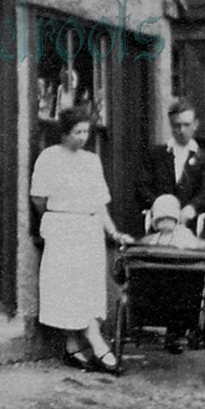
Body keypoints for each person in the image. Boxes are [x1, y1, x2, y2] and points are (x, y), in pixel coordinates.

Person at [31, 107, 133, 374]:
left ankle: (73, 346)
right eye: (77, 132)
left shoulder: (91, 161)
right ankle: (97, 344)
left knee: (87, 289)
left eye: (86, 131)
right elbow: (38, 198)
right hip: (63, 228)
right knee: (67, 289)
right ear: (64, 133)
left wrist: (113, 232)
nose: (83, 137)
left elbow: (99, 203)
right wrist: (59, 218)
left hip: (88, 230)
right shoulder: (49, 157)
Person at [136, 193, 205, 353]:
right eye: (160, 220)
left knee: (185, 286)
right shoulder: (153, 240)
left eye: (169, 219)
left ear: (176, 219)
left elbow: (198, 247)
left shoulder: (184, 236)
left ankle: (175, 333)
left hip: (178, 287)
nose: (165, 223)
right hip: (157, 289)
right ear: (155, 222)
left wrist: (202, 246)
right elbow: (141, 249)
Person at [135, 98, 205, 227]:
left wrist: (191, 208)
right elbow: (142, 187)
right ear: (170, 124)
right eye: (177, 125)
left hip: (192, 224)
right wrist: (159, 207)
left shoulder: (204, 159)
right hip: (159, 223)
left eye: (186, 125)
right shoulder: (155, 155)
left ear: (195, 124)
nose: (181, 130)